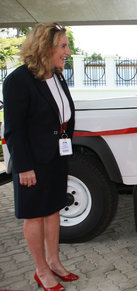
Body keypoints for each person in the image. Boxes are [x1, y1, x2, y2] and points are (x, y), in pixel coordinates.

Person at [3, 23, 78, 290]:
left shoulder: (56, 75)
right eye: (63, 46)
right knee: (35, 215)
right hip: (32, 163)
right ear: (45, 48)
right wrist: (24, 167)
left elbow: (63, 114)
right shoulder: (18, 81)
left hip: (56, 157)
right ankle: (41, 270)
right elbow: (13, 130)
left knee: (53, 209)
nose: (67, 51)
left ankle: (54, 262)